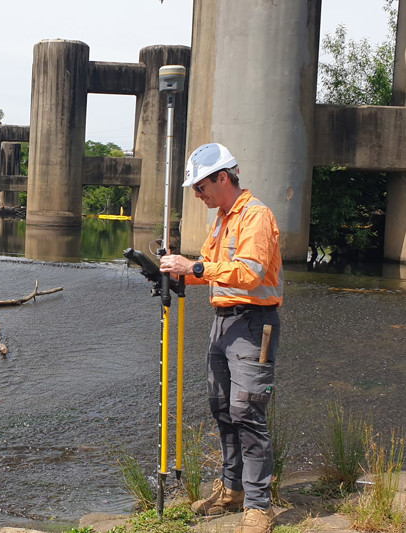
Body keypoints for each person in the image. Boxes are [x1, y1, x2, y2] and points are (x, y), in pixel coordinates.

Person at [159, 143, 283, 533]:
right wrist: (176, 274)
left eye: (200, 187)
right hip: (223, 324)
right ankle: (233, 491)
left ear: (223, 178)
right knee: (223, 408)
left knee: (248, 412)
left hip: (253, 324)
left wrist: (194, 266)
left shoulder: (256, 217)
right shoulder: (223, 219)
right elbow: (211, 271)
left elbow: (249, 274)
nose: (198, 194)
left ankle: (259, 506)